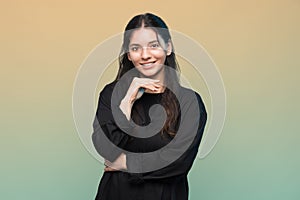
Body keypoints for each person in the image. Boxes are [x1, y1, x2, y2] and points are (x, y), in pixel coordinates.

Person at [92, 13, 207, 200]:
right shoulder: (112, 94)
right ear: (128, 54)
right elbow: (107, 150)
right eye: (136, 48)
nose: (145, 55)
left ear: (168, 47)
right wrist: (127, 101)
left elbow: (178, 162)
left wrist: (126, 163)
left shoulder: (189, 102)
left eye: (154, 46)